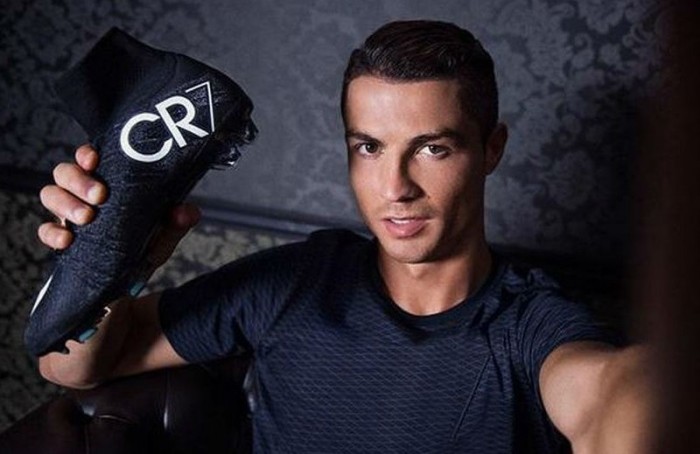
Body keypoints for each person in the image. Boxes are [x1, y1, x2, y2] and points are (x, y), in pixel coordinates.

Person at [35, 20, 651, 453]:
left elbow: (608, 394)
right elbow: (67, 364)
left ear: (491, 149)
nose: (396, 187)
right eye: (370, 148)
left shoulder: (532, 328)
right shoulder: (297, 282)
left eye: (432, 149)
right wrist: (115, 254)